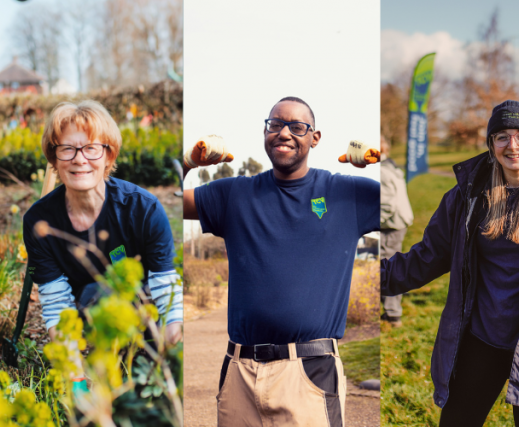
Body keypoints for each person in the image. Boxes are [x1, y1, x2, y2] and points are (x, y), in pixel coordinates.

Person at [381, 100, 519, 427]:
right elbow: (428, 256)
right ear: (491, 144)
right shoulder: (468, 195)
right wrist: (369, 280)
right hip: (482, 338)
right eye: (502, 136)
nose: (512, 145)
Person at [183, 96, 380, 427]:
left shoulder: (347, 194)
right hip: (240, 374)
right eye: (275, 124)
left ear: (315, 138)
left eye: (297, 126)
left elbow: (412, 209)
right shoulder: (235, 195)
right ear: (265, 133)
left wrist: (383, 164)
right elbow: (160, 207)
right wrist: (188, 162)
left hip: (309, 373)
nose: (284, 133)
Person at [22, 100, 184, 393]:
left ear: (109, 155)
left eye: (91, 148)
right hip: (88, 309)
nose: (79, 159)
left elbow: (164, 285)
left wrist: (174, 344)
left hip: (144, 308)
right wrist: (76, 381)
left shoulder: (143, 209)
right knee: (96, 293)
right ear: (54, 158)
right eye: (67, 149)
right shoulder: (40, 221)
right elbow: (58, 306)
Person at [379, 134, 414, 327]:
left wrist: (373, 223)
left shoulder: (382, 172)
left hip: (390, 225)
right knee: (389, 264)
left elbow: (386, 205)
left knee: (387, 267)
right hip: (397, 223)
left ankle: (393, 313)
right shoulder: (390, 165)